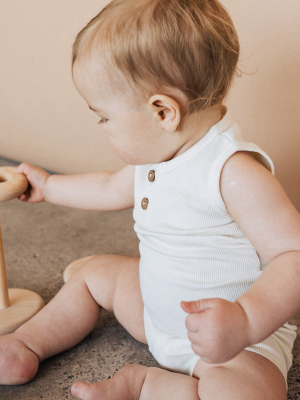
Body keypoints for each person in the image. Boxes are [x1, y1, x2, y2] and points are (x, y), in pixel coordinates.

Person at [1, 0, 299, 399]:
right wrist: (49, 186)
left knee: (245, 393)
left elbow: (292, 256)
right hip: (155, 315)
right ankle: (27, 343)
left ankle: (144, 384)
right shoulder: (157, 158)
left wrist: (244, 321)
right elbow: (108, 188)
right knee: (95, 273)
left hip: (229, 345)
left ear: (163, 112)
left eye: (105, 117)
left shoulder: (233, 172)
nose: (103, 127)